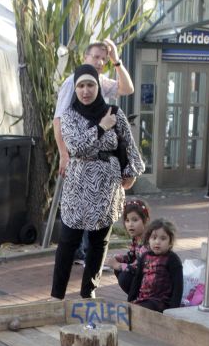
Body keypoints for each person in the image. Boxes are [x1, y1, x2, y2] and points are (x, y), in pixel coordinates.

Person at [50, 64, 144, 300]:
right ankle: (56, 296)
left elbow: (129, 146)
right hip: (78, 185)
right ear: (75, 89)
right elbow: (77, 147)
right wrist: (101, 127)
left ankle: (88, 292)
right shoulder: (69, 115)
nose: (85, 90)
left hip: (107, 186)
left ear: (98, 87)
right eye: (81, 86)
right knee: (68, 240)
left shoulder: (114, 112)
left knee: (99, 242)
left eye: (90, 85)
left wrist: (131, 172)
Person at [53, 39, 134, 178]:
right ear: (85, 57)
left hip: (100, 162)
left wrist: (116, 60)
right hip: (78, 158)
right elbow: (58, 119)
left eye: (104, 59)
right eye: (96, 57)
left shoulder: (101, 80)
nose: (100, 62)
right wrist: (63, 154)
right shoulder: (72, 82)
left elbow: (127, 89)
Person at [128, 218, 183, 312]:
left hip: (160, 302)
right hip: (143, 299)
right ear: (148, 240)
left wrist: (173, 311)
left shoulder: (172, 259)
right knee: (128, 310)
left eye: (163, 238)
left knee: (140, 310)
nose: (157, 242)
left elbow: (178, 287)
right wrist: (130, 300)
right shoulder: (144, 257)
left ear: (170, 242)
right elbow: (137, 280)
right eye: (154, 238)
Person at [108, 198, 150, 295]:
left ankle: (140, 297)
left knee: (125, 276)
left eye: (135, 220)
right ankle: (136, 296)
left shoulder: (148, 241)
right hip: (143, 276)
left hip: (153, 282)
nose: (130, 224)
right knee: (121, 269)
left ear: (146, 220)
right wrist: (118, 258)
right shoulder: (137, 238)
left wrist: (118, 265)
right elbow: (131, 256)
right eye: (127, 220)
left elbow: (138, 266)